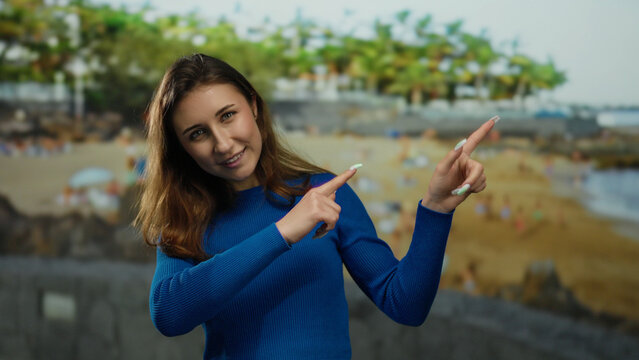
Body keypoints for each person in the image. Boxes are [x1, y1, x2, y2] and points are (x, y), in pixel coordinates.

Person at [135, 54, 494, 359]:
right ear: (183, 147)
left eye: (228, 115)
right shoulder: (185, 219)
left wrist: (436, 209)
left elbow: (405, 304)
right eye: (198, 133)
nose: (223, 143)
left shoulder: (324, 192)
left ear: (254, 106)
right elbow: (169, 315)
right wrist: (284, 231)